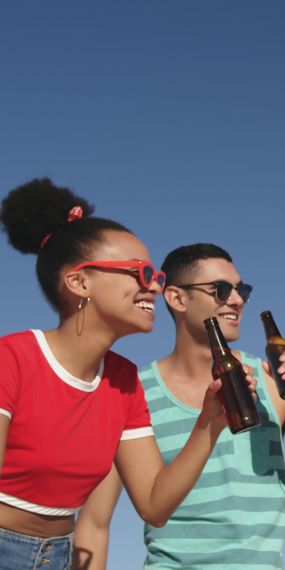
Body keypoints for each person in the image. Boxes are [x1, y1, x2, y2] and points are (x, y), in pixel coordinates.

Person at [73, 243, 285, 569]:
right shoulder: (132, 391)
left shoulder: (272, 382)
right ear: (177, 298)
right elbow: (94, 524)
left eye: (242, 289)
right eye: (221, 289)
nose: (237, 299)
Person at [0, 179, 237, 570]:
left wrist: (209, 424)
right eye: (139, 273)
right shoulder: (12, 358)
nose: (154, 288)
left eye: (156, 277)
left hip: (57, 555)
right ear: (79, 282)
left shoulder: (124, 380)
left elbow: (154, 505)